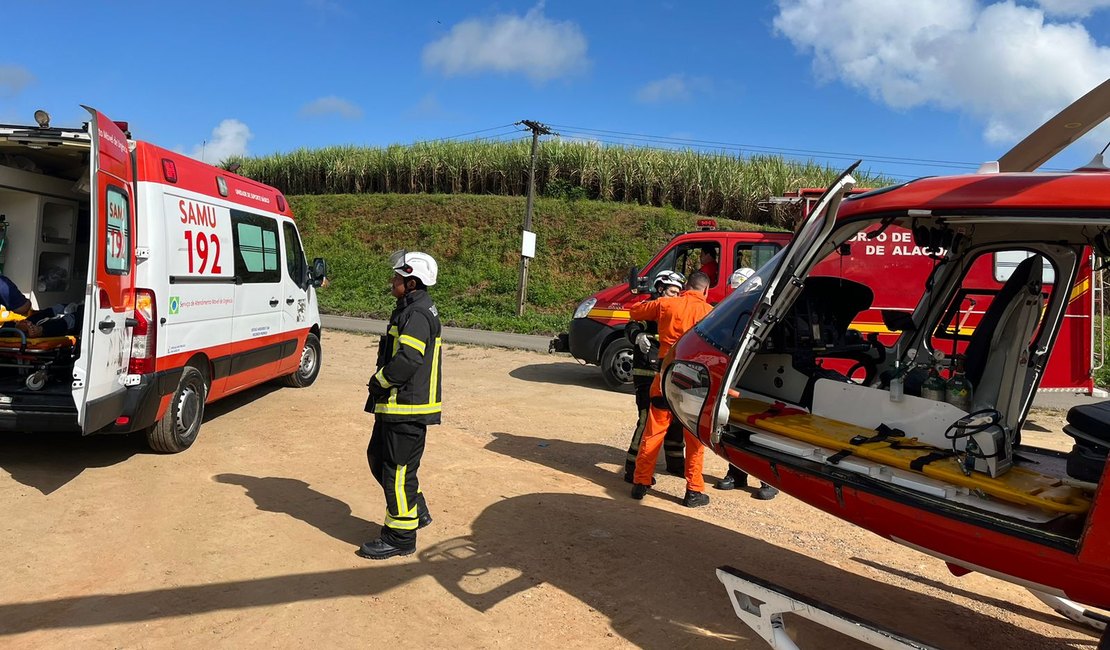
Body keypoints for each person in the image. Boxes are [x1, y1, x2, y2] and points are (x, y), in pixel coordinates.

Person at [358, 251, 443, 560]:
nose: (392, 282)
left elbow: (409, 358)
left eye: (396, 278)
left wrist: (380, 380)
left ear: (411, 282)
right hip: (397, 406)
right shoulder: (412, 308)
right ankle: (414, 508)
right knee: (379, 459)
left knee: (397, 471)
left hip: (406, 407)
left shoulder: (417, 314)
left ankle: (400, 536)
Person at [629, 271, 715, 507]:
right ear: (706, 291)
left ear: (686, 286)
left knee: (653, 431)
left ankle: (640, 483)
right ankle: (694, 491)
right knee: (694, 438)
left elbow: (635, 311)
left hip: (665, 376)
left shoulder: (666, 304)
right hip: (694, 380)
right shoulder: (711, 314)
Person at [622, 270, 686, 483]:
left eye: (678, 292)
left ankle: (676, 463)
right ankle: (633, 468)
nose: (675, 296)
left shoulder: (676, 309)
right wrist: (638, 335)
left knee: (676, 418)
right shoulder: (649, 307)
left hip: (669, 371)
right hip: (646, 372)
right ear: (660, 289)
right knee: (646, 419)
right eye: (672, 291)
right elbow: (631, 323)